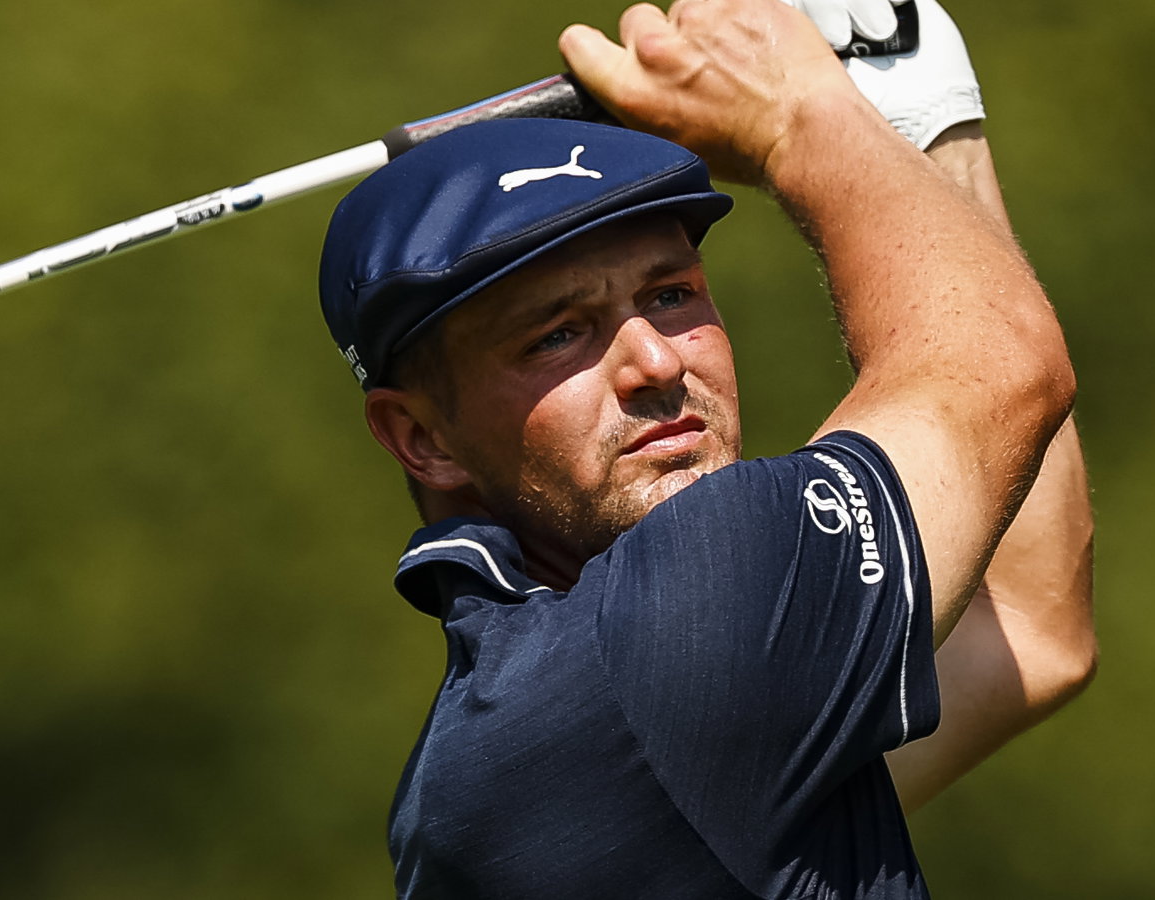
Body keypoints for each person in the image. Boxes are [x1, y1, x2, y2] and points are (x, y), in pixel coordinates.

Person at [316, 0, 1097, 895]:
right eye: (555, 336)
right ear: (422, 437)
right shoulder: (660, 642)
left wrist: (921, 125)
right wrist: (800, 117)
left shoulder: (581, 717)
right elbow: (997, 369)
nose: (651, 360)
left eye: (671, 296)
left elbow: (1028, 625)